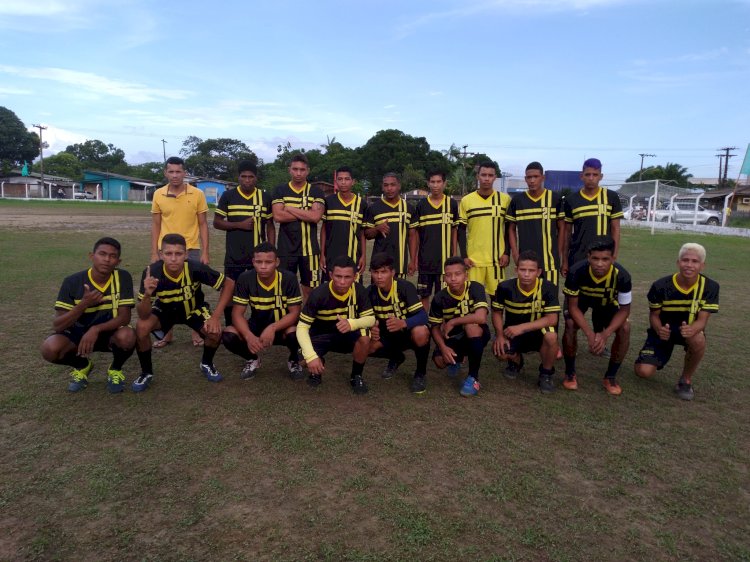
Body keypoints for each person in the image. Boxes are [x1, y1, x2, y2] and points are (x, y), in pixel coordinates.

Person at [132, 234, 235, 392]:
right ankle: (146, 372)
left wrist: (215, 316)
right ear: (161, 255)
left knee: (214, 332)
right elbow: (143, 314)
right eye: (168, 254)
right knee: (141, 327)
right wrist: (147, 294)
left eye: (178, 254)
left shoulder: (195, 268)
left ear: (186, 254)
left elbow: (228, 283)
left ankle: (206, 363)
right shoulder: (152, 272)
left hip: (193, 309)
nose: (174, 259)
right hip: (165, 311)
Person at [40, 237, 136, 393]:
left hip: (108, 332)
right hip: (78, 335)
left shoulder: (123, 277)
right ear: (92, 256)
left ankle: (115, 370)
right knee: (50, 348)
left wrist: (95, 329)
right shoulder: (72, 281)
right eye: (102, 254)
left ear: (118, 261)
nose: (106, 259)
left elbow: (124, 317)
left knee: (128, 336)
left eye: (112, 256)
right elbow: (58, 325)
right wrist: (83, 304)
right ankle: (83, 366)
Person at [634, 243, 719, 401]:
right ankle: (651, 356)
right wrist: (659, 329)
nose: (689, 265)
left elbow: (703, 320)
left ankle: (685, 380)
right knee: (643, 372)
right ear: (678, 262)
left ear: (702, 265)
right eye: (685, 260)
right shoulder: (661, 286)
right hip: (663, 331)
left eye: (695, 261)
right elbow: (654, 315)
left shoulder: (710, 287)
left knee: (698, 338)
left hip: (689, 330)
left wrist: (692, 330)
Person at [150, 155, 209, 347]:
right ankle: (167, 333)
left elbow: (203, 224)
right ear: (165, 173)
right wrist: (154, 252)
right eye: (171, 171)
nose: (175, 175)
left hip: (191, 248)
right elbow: (156, 225)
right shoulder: (158, 194)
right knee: (165, 291)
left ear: (185, 173)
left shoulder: (197, 194)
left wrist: (205, 252)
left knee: (194, 291)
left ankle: (196, 331)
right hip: (165, 250)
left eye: (178, 171)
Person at [221, 242, 303, 380]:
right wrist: (248, 336)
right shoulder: (245, 278)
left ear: (277, 262)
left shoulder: (289, 278)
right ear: (253, 262)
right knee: (229, 334)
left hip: (282, 327)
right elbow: (237, 313)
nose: (263, 266)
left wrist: (273, 327)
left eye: (268, 262)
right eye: (259, 262)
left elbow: (295, 313)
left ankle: (294, 360)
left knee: (296, 333)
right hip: (257, 325)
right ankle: (252, 358)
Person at [562, 236, 632, 395]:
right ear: (588, 257)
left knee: (625, 328)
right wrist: (590, 334)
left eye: (605, 259)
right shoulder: (576, 271)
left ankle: (611, 376)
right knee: (571, 324)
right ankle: (570, 373)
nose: (600, 264)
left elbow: (624, 310)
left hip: (607, 303)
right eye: (595, 258)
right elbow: (573, 307)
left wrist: (605, 334)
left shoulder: (623, 276)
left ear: (613, 258)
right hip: (581, 301)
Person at [296, 255, 375, 394]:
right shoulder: (318, 294)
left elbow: (370, 319)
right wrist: (311, 356)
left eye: (347, 277)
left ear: (355, 276)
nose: (342, 281)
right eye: (338, 276)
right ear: (331, 274)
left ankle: (356, 375)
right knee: (301, 360)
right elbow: (302, 327)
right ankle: (318, 364)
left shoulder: (360, 291)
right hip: (322, 335)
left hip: (346, 335)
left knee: (365, 336)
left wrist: (351, 323)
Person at [213, 160, 275, 325]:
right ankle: (231, 325)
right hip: (234, 255)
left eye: (251, 177)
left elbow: (270, 226)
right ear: (238, 177)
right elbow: (217, 222)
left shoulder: (265, 197)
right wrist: (238, 225)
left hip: (258, 257)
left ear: (256, 178)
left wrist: (272, 248)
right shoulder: (229, 196)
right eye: (244, 177)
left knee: (260, 291)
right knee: (231, 291)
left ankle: (258, 323)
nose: (247, 180)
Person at [492, 251, 560, 394]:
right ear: (516, 270)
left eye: (531, 270)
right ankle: (516, 361)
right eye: (523, 270)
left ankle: (546, 373)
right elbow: (497, 313)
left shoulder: (548, 287)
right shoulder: (505, 287)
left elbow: (552, 319)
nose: (527, 274)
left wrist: (522, 327)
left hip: (538, 331)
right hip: (513, 332)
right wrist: (499, 335)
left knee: (552, 337)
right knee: (500, 352)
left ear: (539, 272)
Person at [368, 253, 431, 394]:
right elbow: (365, 318)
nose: (379, 277)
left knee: (421, 332)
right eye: (375, 272)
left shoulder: (405, 287)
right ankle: (396, 357)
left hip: (408, 334)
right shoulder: (370, 292)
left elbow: (423, 316)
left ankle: (420, 373)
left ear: (392, 272)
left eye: (383, 272)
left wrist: (404, 323)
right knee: (365, 345)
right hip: (388, 334)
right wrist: (371, 329)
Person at [428, 257, 491, 397]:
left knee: (471, 327)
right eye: (449, 275)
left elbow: (481, 317)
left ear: (466, 275)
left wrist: (453, 322)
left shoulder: (475, 287)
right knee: (439, 361)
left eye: (458, 274)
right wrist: (443, 348)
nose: (453, 278)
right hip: (455, 337)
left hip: (478, 333)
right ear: (444, 278)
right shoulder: (439, 298)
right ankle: (458, 357)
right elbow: (435, 327)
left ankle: (473, 378)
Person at [271, 153, 326, 300]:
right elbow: (277, 216)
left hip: (310, 251)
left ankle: (307, 320)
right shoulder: (280, 190)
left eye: (302, 170)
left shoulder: (316, 191)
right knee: (284, 288)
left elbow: (315, 217)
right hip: (285, 249)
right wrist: (306, 212)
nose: (298, 173)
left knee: (310, 289)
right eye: (295, 169)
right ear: (289, 170)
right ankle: (288, 321)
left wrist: (289, 208)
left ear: (308, 171)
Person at [561, 158, 623, 276]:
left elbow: (616, 228)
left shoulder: (611, 197)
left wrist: (613, 255)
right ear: (581, 176)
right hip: (578, 256)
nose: (591, 178)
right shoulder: (571, 200)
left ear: (601, 176)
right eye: (587, 174)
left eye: (595, 174)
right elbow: (567, 233)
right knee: (575, 293)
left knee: (601, 293)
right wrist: (564, 260)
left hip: (603, 258)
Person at [458, 161, 511, 297]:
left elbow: (509, 229)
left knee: (497, 300)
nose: (486, 178)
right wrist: (464, 256)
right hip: (473, 261)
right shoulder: (467, 200)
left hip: (497, 260)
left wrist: (506, 253)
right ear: (478, 176)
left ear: (495, 177)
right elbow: (461, 230)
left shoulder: (504, 200)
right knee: (473, 299)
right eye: (483, 175)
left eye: (490, 175)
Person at [507, 162, 564, 286]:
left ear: (542, 178)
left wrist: (557, 253)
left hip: (549, 261)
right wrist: (515, 254)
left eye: (536, 177)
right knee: (527, 297)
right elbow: (511, 229)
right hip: (526, 262)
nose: (532, 180)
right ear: (525, 179)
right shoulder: (517, 200)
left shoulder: (555, 199)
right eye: (529, 177)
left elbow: (562, 228)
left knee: (550, 297)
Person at [408, 170, 459, 309]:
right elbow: (416, 234)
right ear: (428, 184)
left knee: (443, 294)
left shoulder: (452, 204)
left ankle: (440, 326)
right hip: (426, 260)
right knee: (424, 295)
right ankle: (425, 324)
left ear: (444, 183)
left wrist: (454, 253)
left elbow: (454, 230)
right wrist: (414, 258)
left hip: (444, 260)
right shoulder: (421, 205)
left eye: (438, 182)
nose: (435, 185)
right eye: (432, 182)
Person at [320, 166, 368, 279]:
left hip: (354, 256)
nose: (343, 182)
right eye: (340, 179)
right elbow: (324, 229)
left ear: (353, 181)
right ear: (336, 181)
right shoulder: (329, 201)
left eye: (347, 179)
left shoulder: (362, 204)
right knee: (330, 291)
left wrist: (363, 256)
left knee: (353, 291)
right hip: (331, 255)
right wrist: (322, 254)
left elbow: (362, 233)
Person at [364, 173, 413, 278]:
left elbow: (412, 236)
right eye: (386, 185)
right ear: (382, 187)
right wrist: (377, 228)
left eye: (393, 185)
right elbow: (367, 234)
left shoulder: (409, 208)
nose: (389, 188)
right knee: (378, 293)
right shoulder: (374, 208)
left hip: (400, 263)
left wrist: (413, 260)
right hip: (379, 264)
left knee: (399, 293)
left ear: (399, 186)